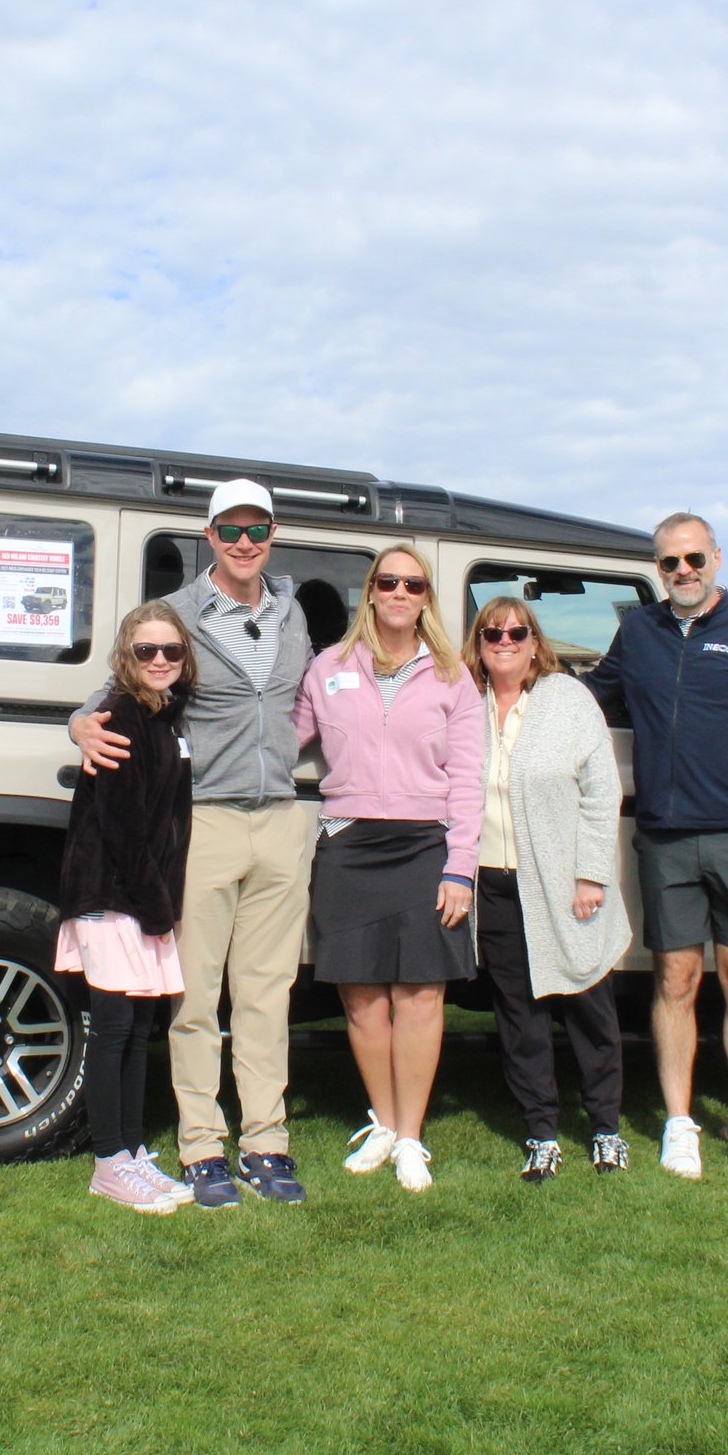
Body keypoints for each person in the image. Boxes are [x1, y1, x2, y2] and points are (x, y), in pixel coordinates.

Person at [71, 480, 314, 1209]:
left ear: (273, 533)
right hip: (203, 821)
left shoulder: (292, 611)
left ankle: (267, 1139)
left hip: (280, 817)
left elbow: (303, 700)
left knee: (268, 993)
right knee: (198, 994)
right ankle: (202, 1144)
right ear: (209, 535)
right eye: (231, 529)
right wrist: (80, 724)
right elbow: (112, 687)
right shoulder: (176, 614)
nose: (245, 542)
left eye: (258, 528)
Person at [586, 512, 728, 1185]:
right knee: (674, 978)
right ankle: (679, 1123)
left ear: (716, 556)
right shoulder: (639, 632)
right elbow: (593, 696)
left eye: (692, 559)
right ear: (657, 569)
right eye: (668, 563)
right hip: (665, 833)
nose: (682, 572)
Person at [293, 544, 483, 1192]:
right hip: (348, 843)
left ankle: (410, 1137)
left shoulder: (454, 676)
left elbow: (468, 782)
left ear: (426, 596)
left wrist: (461, 868)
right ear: (370, 592)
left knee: (421, 994)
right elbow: (280, 737)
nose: (400, 591)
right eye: (388, 581)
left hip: (425, 846)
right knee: (364, 998)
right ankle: (383, 1119)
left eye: (414, 583)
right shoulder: (329, 668)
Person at [466, 596, 634, 1182]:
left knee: (589, 1007)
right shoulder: (467, 703)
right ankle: (541, 1131)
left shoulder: (567, 699)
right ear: (479, 644)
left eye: (517, 633)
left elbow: (600, 789)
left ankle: (606, 1129)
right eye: (493, 634)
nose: (505, 642)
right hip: (496, 887)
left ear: (536, 643)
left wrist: (592, 874)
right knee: (519, 1017)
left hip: (566, 884)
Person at [55, 603, 198, 1213]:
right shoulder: (118, 717)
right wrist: (156, 907)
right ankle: (108, 1162)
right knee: (112, 1033)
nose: (160, 660)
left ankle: (134, 1152)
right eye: (146, 651)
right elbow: (122, 829)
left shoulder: (161, 716)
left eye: (171, 651)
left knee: (140, 1031)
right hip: (114, 900)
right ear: (126, 656)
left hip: (140, 903)